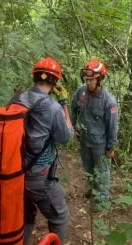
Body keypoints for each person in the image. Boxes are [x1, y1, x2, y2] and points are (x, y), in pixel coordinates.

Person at [13, 57, 75, 245]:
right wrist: (64, 103)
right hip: (38, 177)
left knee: (26, 215)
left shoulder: (17, 99)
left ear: (34, 78)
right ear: (55, 82)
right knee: (60, 216)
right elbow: (67, 137)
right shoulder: (53, 107)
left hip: (15, 173)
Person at [70, 59, 118, 212]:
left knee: (102, 172)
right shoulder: (81, 92)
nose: (88, 83)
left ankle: (101, 201)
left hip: (100, 143)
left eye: (92, 80)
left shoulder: (109, 102)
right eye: (87, 79)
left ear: (100, 80)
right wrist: (72, 126)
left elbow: (113, 126)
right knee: (88, 168)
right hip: (84, 139)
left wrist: (110, 147)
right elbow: (73, 108)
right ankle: (93, 189)